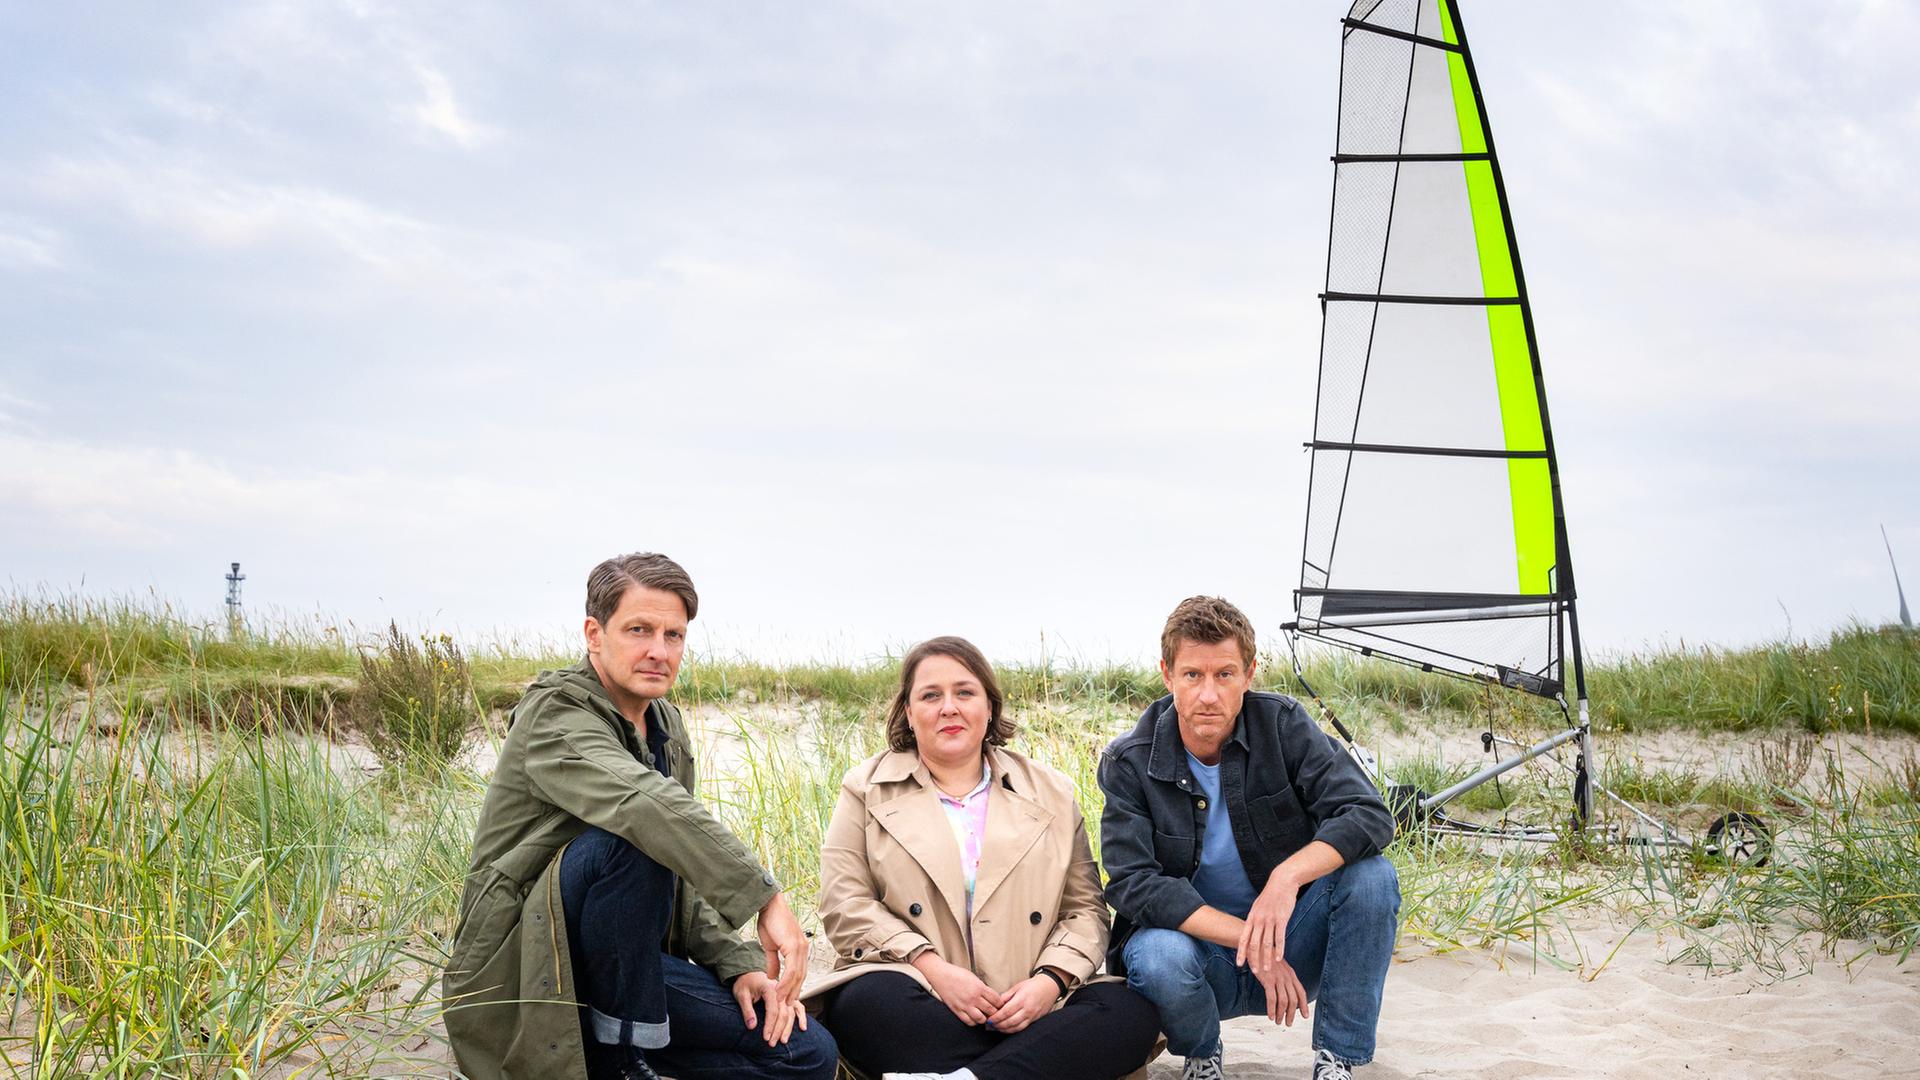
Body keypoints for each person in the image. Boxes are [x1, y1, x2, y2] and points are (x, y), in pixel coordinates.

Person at [444, 553, 838, 1080]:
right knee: (632, 837)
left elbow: (679, 871)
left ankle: (625, 1054)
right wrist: (766, 899)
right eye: (639, 629)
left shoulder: (665, 723)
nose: (659, 651)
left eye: (673, 636)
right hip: (530, 966)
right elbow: (644, 807)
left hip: (628, 972)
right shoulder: (554, 714)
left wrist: (735, 963)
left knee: (807, 1052)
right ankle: (623, 1059)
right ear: (594, 633)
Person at [805, 636, 1161, 1080]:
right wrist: (934, 970)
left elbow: (1085, 910)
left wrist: (1048, 983)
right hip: (922, 995)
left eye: (965, 692)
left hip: (1033, 1001)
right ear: (909, 713)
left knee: (1130, 1011)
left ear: (989, 707)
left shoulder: (1050, 790)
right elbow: (845, 904)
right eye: (930, 695)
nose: (948, 707)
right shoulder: (865, 788)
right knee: (865, 1004)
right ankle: (1025, 1066)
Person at [1098, 597, 1399, 1080]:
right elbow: (1133, 883)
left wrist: (1286, 877)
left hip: (1291, 942)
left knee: (1371, 876)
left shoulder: (1283, 725)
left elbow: (1367, 814)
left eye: (1225, 674)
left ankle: (1336, 1060)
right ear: (1167, 674)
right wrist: (1250, 941)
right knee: (1155, 953)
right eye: (1192, 675)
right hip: (1201, 957)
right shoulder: (1129, 761)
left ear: (1250, 673)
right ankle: (1201, 1054)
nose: (1208, 695)